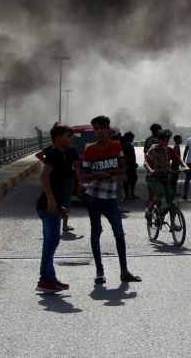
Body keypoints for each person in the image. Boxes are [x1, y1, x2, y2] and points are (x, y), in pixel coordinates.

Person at [81, 115, 141, 285]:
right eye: (96, 128)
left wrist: (117, 171)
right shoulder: (89, 151)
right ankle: (99, 271)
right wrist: (98, 174)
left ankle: (124, 270)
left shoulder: (116, 147)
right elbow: (84, 178)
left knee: (119, 233)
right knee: (96, 232)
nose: (99, 131)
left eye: (102, 128)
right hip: (94, 197)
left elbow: (124, 168)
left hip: (111, 198)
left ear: (108, 129)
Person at [36, 123, 75, 294]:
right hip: (47, 205)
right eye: (68, 136)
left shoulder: (61, 155)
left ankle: (49, 277)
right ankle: (44, 279)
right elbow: (43, 177)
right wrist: (52, 201)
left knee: (52, 241)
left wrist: (60, 205)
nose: (71, 139)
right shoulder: (53, 154)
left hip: (54, 205)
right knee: (51, 242)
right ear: (59, 138)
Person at [144, 131, 175, 217]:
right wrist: (151, 170)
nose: (165, 143)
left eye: (167, 141)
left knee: (171, 199)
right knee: (160, 191)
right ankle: (149, 209)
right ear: (159, 140)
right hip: (154, 177)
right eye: (163, 140)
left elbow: (178, 158)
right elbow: (145, 162)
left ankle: (173, 224)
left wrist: (185, 166)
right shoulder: (153, 149)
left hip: (165, 176)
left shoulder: (168, 149)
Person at [121, 131, 139, 200]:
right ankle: (129, 194)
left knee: (130, 180)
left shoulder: (124, 145)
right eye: (132, 138)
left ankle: (129, 194)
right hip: (129, 166)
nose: (133, 140)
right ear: (130, 138)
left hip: (130, 165)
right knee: (130, 180)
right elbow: (126, 157)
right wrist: (129, 164)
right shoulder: (128, 146)